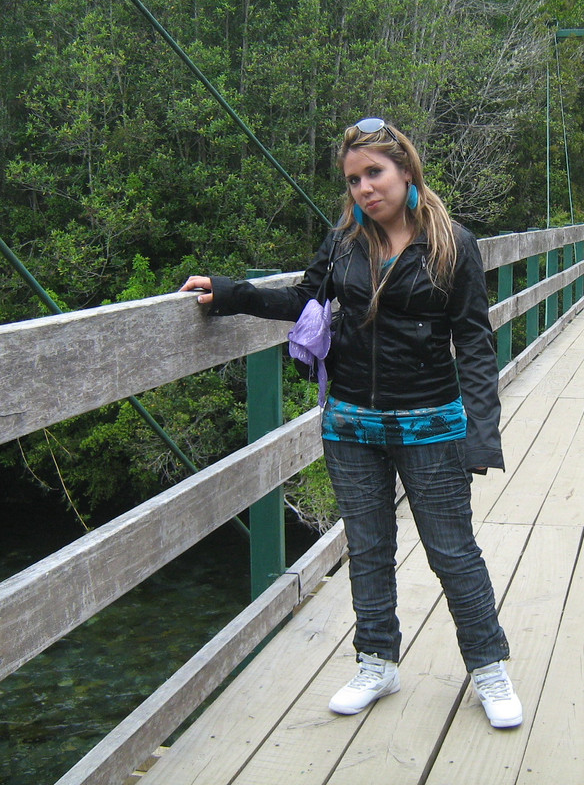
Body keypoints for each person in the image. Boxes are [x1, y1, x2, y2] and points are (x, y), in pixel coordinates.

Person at [179, 117, 522, 729]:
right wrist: (232, 292)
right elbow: (305, 303)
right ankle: (377, 662)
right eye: (354, 179)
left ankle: (489, 668)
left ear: (406, 171)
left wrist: (481, 432)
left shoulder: (451, 243)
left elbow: (473, 341)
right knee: (367, 549)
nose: (365, 188)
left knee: (452, 551)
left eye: (375, 173)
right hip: (352, 424)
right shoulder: (343, 243)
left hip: (429, 423)